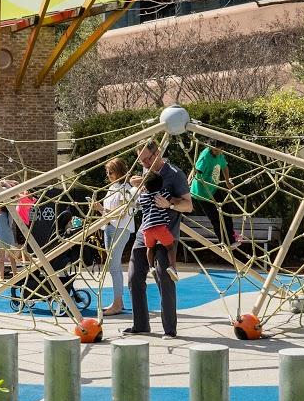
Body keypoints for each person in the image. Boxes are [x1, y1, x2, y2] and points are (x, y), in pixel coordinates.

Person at [126, 140, 191, 338]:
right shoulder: (146, 173)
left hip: (166, 232)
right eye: (141, 161)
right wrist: (136, 186)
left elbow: (188, 205)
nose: (145, 163)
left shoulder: (175, 174)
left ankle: (169, 329)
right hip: (146, 231)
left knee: (164, 277)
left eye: (147, 159)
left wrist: (169, 204)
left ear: (158, 153)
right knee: (134, 276)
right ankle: (140, 325)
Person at [94, 158, 137, 317]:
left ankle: (117, 303)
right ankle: (118, 301)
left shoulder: (125, 189)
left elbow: (121, 213)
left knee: (114, 266)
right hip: (110, 228)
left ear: (119, 172)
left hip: (120, 229)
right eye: (107, 172)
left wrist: (101, 209)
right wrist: (100, 210)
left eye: (111, 172)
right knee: (113, 266)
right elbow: (111, 213)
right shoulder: (113, 187)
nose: (108, 175)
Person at [191, 139, 237, 250]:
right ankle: (225, 243)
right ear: (210, 147)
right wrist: (190, 182)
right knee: (215, 218)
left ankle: (232, 237)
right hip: (202, 194)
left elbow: (224, 166)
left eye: (221, 150)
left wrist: (227, 181)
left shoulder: (219, 154)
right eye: (217, 150)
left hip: (214, 188)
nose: (219, 152)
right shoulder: (205, 157)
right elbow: (196, 172)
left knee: (226, 211)